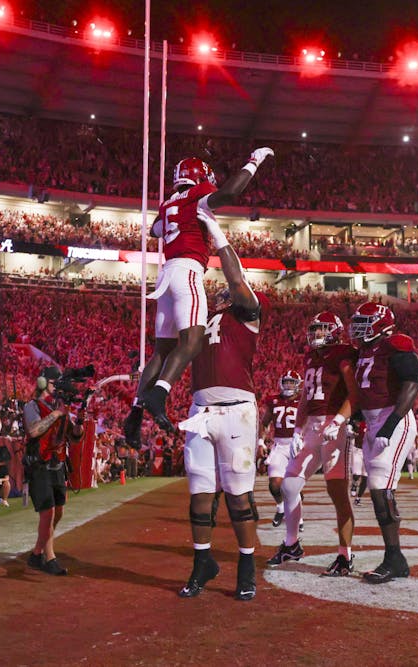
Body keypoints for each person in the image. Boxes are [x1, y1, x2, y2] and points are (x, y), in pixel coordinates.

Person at [123, 147, 274, 444]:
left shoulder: (168, 203)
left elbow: (155, 230)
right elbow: (230, 193)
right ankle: (160, 392)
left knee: (161, 351)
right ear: (199, 177)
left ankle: (136, 409)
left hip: (165, 275)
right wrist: (253, 162)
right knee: (192, 341)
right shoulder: (197, 196)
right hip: (187, 272)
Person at [176, 241, 264, 601]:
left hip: (236, 411)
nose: (223, 292)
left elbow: (237, 278)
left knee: (238, 497)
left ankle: (247, 567)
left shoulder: (246, 314)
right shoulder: (200, 319)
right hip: (200, 412)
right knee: (199, 496)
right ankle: (203, 563)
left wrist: (216, 234)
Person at [267, 311, 358, 577]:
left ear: (335, 331)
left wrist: (339, 420)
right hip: (311, 428)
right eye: (315, 329)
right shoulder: (311, 356)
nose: (316, 333)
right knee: (289, 485)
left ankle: (345, 555)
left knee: (337, 493)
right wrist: (297, 428)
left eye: (322, 329)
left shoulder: (343, 353)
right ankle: (292, 544)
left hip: (334, 428)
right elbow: (306, 396)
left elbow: (355, 393)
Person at [348, 301, 418, 584]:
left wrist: (389, 427)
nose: (359, 328)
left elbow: (411, 385)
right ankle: (395, 558)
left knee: (381, 488)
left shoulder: (396, 345)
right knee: (378, 489)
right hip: (372, 422)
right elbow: (366, 390)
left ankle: (395, 558)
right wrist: (356, 419)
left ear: (380, 324)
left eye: (365, 322)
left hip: (393, 419)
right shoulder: (366, 351)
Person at [23, 366, 85, 576]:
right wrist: (58, 413)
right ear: (43, 383)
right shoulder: (33, 406)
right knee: (48, 513)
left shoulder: (62, 407)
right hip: (40, 465)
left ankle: (36, 554)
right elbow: (33, 431)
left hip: (57, 464)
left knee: (58, 512)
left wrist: (80, 421)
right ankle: (50, 558)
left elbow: (74, 437)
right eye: (53, 383)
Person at [259, 370, 301, 527]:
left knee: (293, 485)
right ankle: (281, 508)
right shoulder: (274, 400)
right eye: (286, 381)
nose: (289, 385)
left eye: (292, 382)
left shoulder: (303, 401)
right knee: (275, 484)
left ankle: (298, 518)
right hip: (279, 445)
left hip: (298, 445)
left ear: (298, 385)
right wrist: (261, 442)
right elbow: (265, 423)